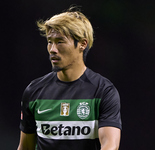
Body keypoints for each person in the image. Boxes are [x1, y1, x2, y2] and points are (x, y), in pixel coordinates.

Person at [17, 6, 122, 150]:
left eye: (60, 41)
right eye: (49, 42)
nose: (53, 49)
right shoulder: (34, 91)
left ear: (82, 44)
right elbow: (25, 147)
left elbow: (110, 145)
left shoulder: (103, 91)